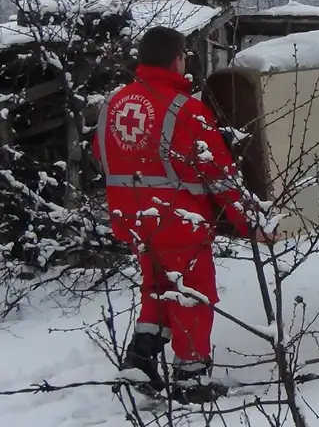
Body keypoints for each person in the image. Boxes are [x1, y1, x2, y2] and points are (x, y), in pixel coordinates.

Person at [92, 26, 272, 404]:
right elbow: (220, 175)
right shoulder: (185, 109)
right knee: (192, 296)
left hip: (133, 219)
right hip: (179, 222)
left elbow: (104, 156)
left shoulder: (113, 105)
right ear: (178, 59)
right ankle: (191, 381)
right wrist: (250, 221)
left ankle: (140, 361)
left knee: (157, 286)